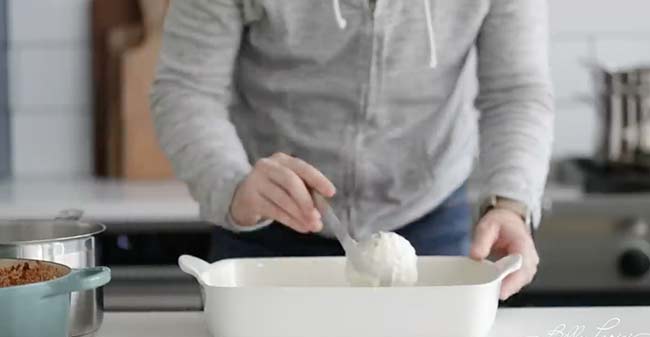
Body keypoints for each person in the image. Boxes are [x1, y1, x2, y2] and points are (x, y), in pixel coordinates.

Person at [151, 0, 553, 300]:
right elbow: (186, 90)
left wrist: (510, 203)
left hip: (429, 225)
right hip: (266, 229)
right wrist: (232, 187)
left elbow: (516, 92)